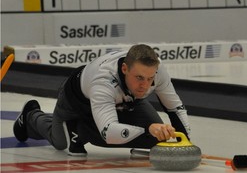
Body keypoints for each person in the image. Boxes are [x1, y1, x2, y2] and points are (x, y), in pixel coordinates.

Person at [13, 44, 191, 156]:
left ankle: (83, 129)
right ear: (124, 69)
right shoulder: (103, 82)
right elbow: (109, 133)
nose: (145, 85)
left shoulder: (156, 71)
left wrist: (187, 144)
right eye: (139, 78)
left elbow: (175, 107)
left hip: (124, 100)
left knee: (156, 140)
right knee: (63, 144)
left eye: (149, 79)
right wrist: (149, 128)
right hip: (76, 103)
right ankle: (31, 116)